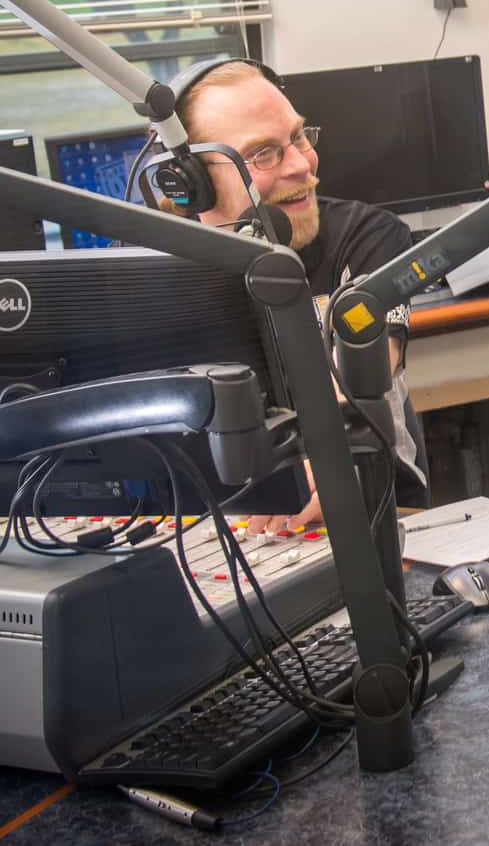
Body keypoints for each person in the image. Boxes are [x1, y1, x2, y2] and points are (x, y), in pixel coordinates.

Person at [156, 58, 425, 531]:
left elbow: (364, 373)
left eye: (298, 138)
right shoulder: (144, 266)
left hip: (356, 518)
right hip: (197, 531)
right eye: (263, 153)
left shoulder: (367, 236)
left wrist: (325, 456)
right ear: (190, 182)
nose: (302, 165)